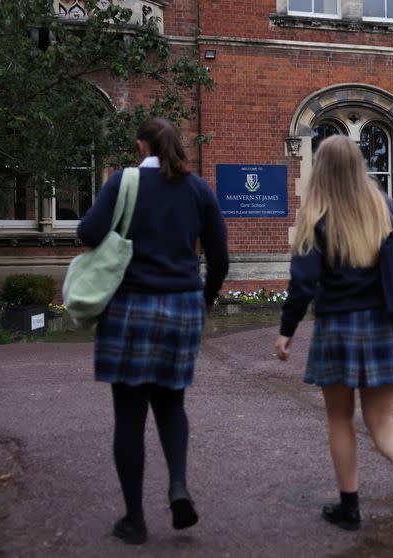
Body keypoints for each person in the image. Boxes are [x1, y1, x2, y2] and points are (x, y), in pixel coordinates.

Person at [77, 118, 229, 545]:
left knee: (129, 415)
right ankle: (178, 485)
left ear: (141, 147)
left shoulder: (122, 182)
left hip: (128, 306)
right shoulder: (198, 190)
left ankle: (134, 520)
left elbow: (87, 231)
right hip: (182, 305)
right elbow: (220, 258)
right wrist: (207, 298)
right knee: (171, 403)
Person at [275, 135, 393, 541]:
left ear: (320, 168)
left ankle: (349, 508)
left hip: (338, 329)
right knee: (383, 420)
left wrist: (287, 331)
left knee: (340, 418)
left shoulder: (316, 214)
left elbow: (303, 283)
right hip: (383, 325)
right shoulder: (383, 208)